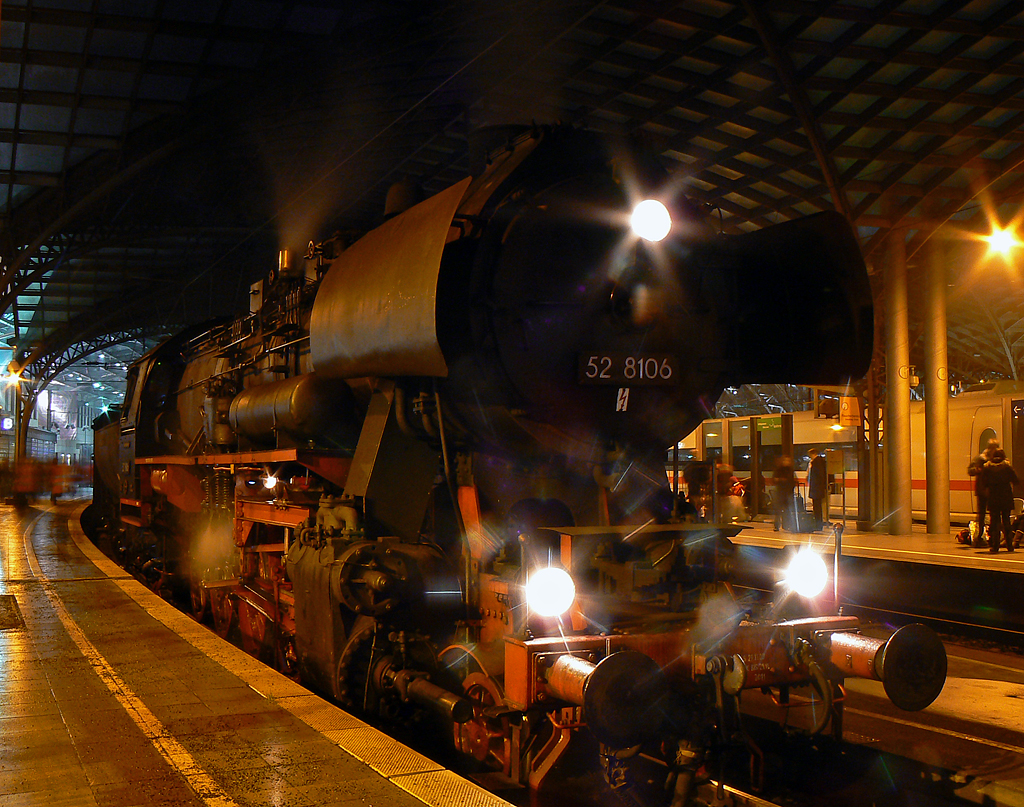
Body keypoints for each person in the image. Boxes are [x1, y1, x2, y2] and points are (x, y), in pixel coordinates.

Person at [982, 447, 1018, 553]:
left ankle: (995, 546)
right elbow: (1015, 480)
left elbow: (984, 483)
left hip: (993, 498)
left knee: (994, 522)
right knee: (1006, 521)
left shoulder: (987, 468)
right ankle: (1009, 545)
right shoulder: (1007, 467)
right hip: (1006, 497)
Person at [968, 438, 999, 547]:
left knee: (993, 515)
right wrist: (977, 470)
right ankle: (979, 537)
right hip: (983, 491)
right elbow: (970, 470)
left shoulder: (998, 459)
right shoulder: (981, 458)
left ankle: (992, 536)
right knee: (982, 515)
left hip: (992, 491)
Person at [772, 455, 795, 531]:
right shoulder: (779, 470)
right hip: (781, 492)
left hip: (787, 492)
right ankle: (777, 525)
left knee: (786, 510)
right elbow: (775, 479)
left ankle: (786, 525)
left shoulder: (789, 470)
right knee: (779, 510)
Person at [806, 449, 827, 531]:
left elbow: (818, 476)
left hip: (816, 488)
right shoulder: (820, 461)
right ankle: (818, 524)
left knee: (817, 507)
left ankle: (818, 524)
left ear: (813, 453)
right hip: (818, 488)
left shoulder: (816, 462)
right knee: (818, 507)